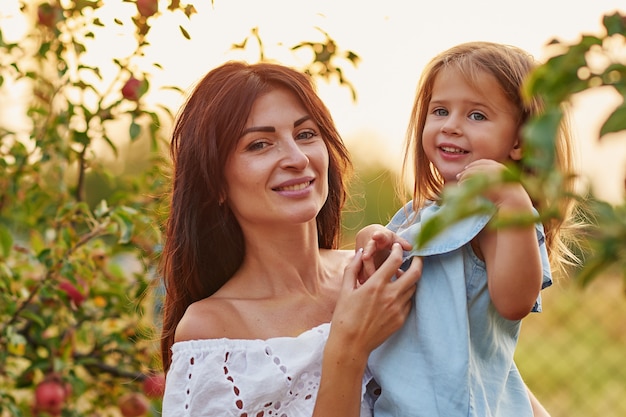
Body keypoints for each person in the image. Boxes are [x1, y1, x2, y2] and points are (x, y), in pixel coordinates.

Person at [158, 61, 423, 417]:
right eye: (260, 144)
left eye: (306, 134)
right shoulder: (211, 330)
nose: (297, 159)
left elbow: (489, 383)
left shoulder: (379, 273)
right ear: (216, 183)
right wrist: (348, 347)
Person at [356, 41, 578, 417]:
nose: (451, 126)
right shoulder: (418, 214)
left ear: (520, 141)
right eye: (440, 111)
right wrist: (377, 244)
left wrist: (514, 201)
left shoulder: (499, 215)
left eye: (477, 115)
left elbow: (514, 302)